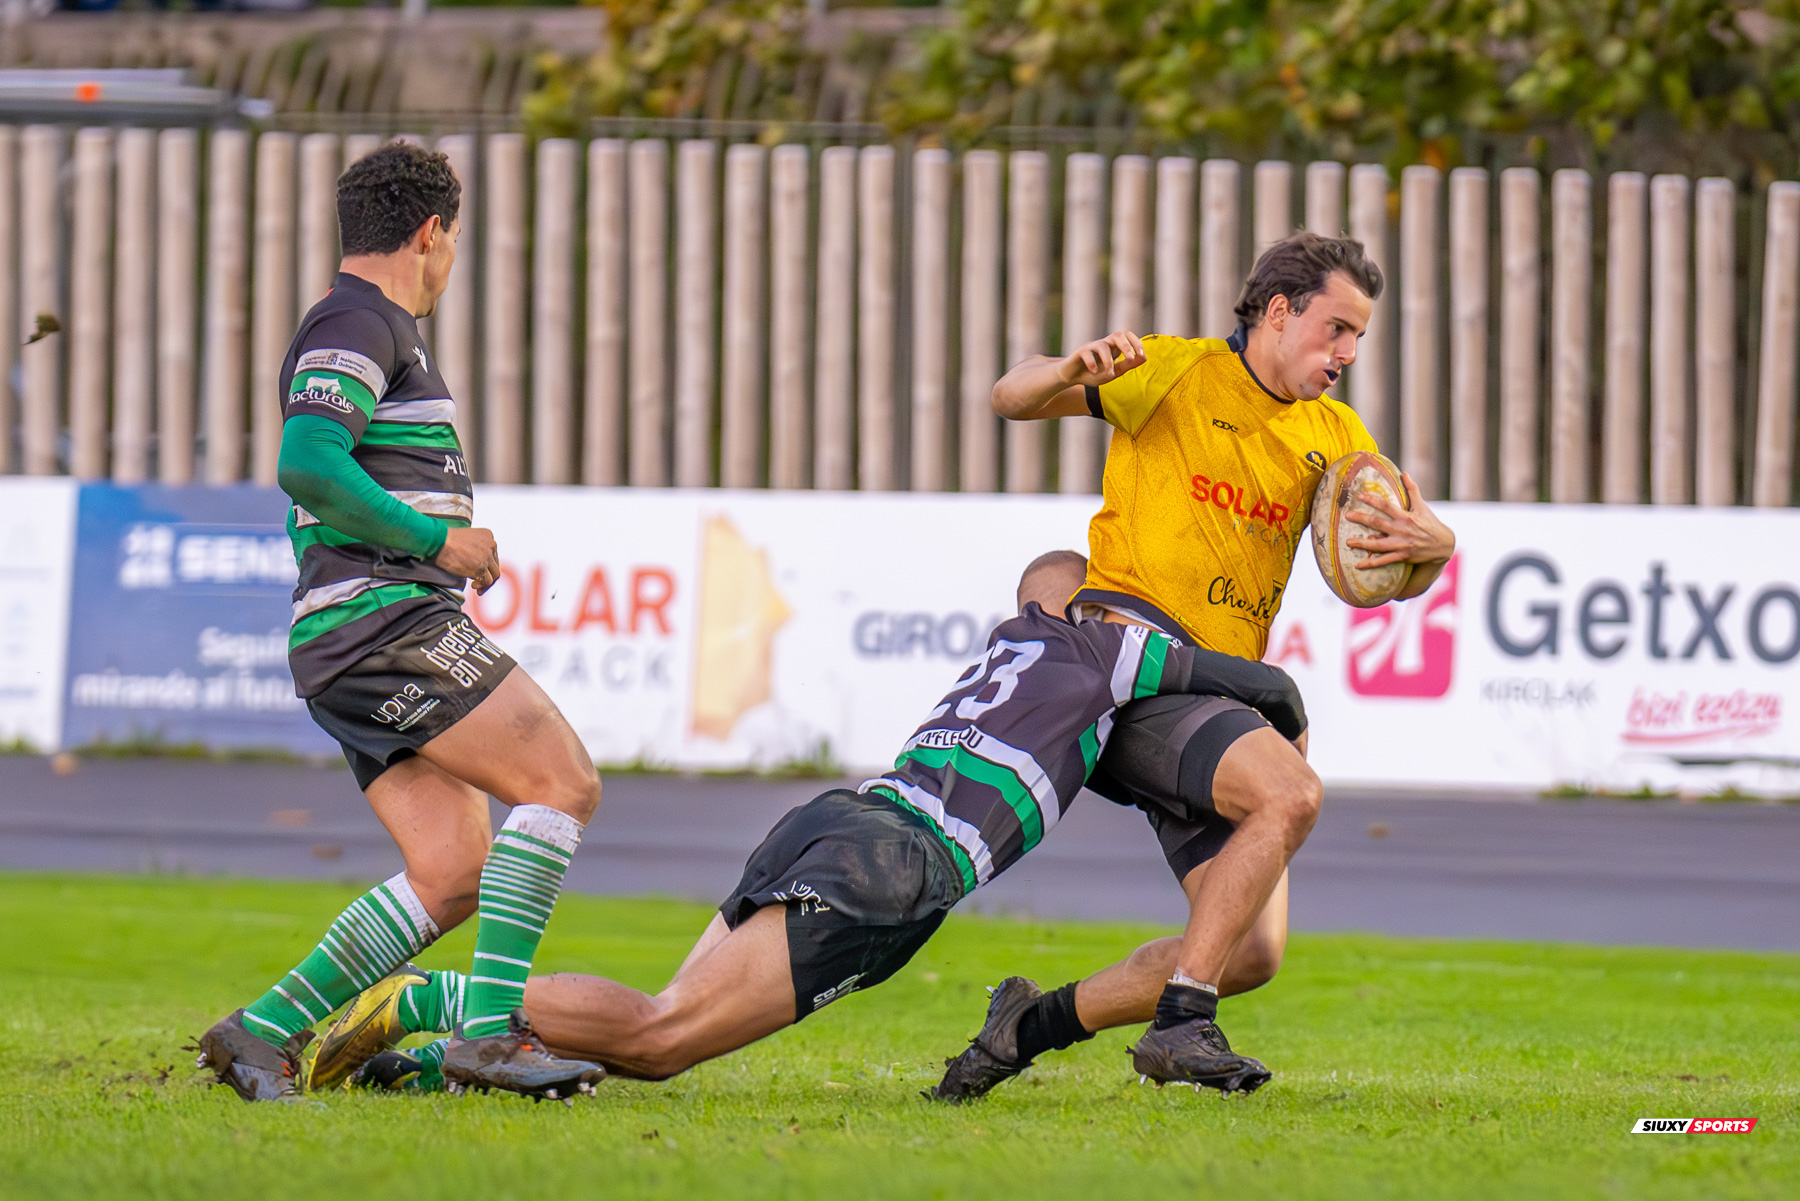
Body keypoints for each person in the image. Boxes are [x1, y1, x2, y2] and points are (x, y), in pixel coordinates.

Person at [302, 553, 1309, 1093]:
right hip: (893, 868)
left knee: (663, 1018)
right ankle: (430, 1004)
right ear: (1092, 608)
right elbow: (1247, 678)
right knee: (660, 1041)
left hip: (841, 819)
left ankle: (424, 1060)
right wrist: (1284, 715)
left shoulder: (1009, 646)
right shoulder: (1100, 650)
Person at [934, 232, 1457, 1097]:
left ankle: (1028, 1024)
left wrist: (1435, 550)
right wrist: (1069, 368)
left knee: (1248, 950)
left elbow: (1398, 559)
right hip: (1130, 666)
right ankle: (1183, 1025)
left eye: (1359, 337)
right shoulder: (1173, 370)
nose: (1348, 355)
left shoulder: (1336, 435)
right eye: (1336, 329)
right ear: (1279, 311)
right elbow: (1009, 395)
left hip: (1215, 690)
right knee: (1289, 792)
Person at [192, 142, 604, 1103]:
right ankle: (490, 1038)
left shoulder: (372, 327)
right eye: (452, 241)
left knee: (455, 869)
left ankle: (259, 1032)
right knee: (561, 781)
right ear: (432, 233)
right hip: (381, 621)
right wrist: (437, 541)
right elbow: (308, 462)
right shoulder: (358, 318)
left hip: (353, 637)